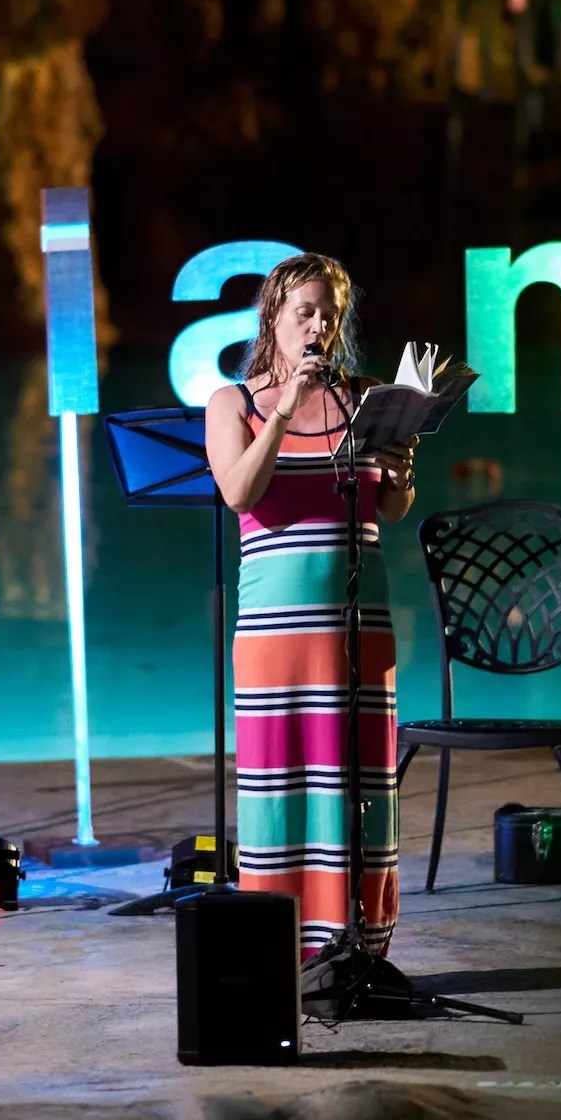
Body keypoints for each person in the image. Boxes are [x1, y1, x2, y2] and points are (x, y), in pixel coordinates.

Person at [204, 252, 416, 961]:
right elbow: (240, 491)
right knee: (283, 792)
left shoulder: (369, 397)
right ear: (273, 318)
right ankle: (283, 947)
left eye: (330, 312)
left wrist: (401, 477)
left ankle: (361, 946)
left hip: (359, 629)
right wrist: (286, 406)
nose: (319, 324)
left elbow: (389, 506)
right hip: (275, 635)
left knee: (357, 785)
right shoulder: (233, 402)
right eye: (305, 311)